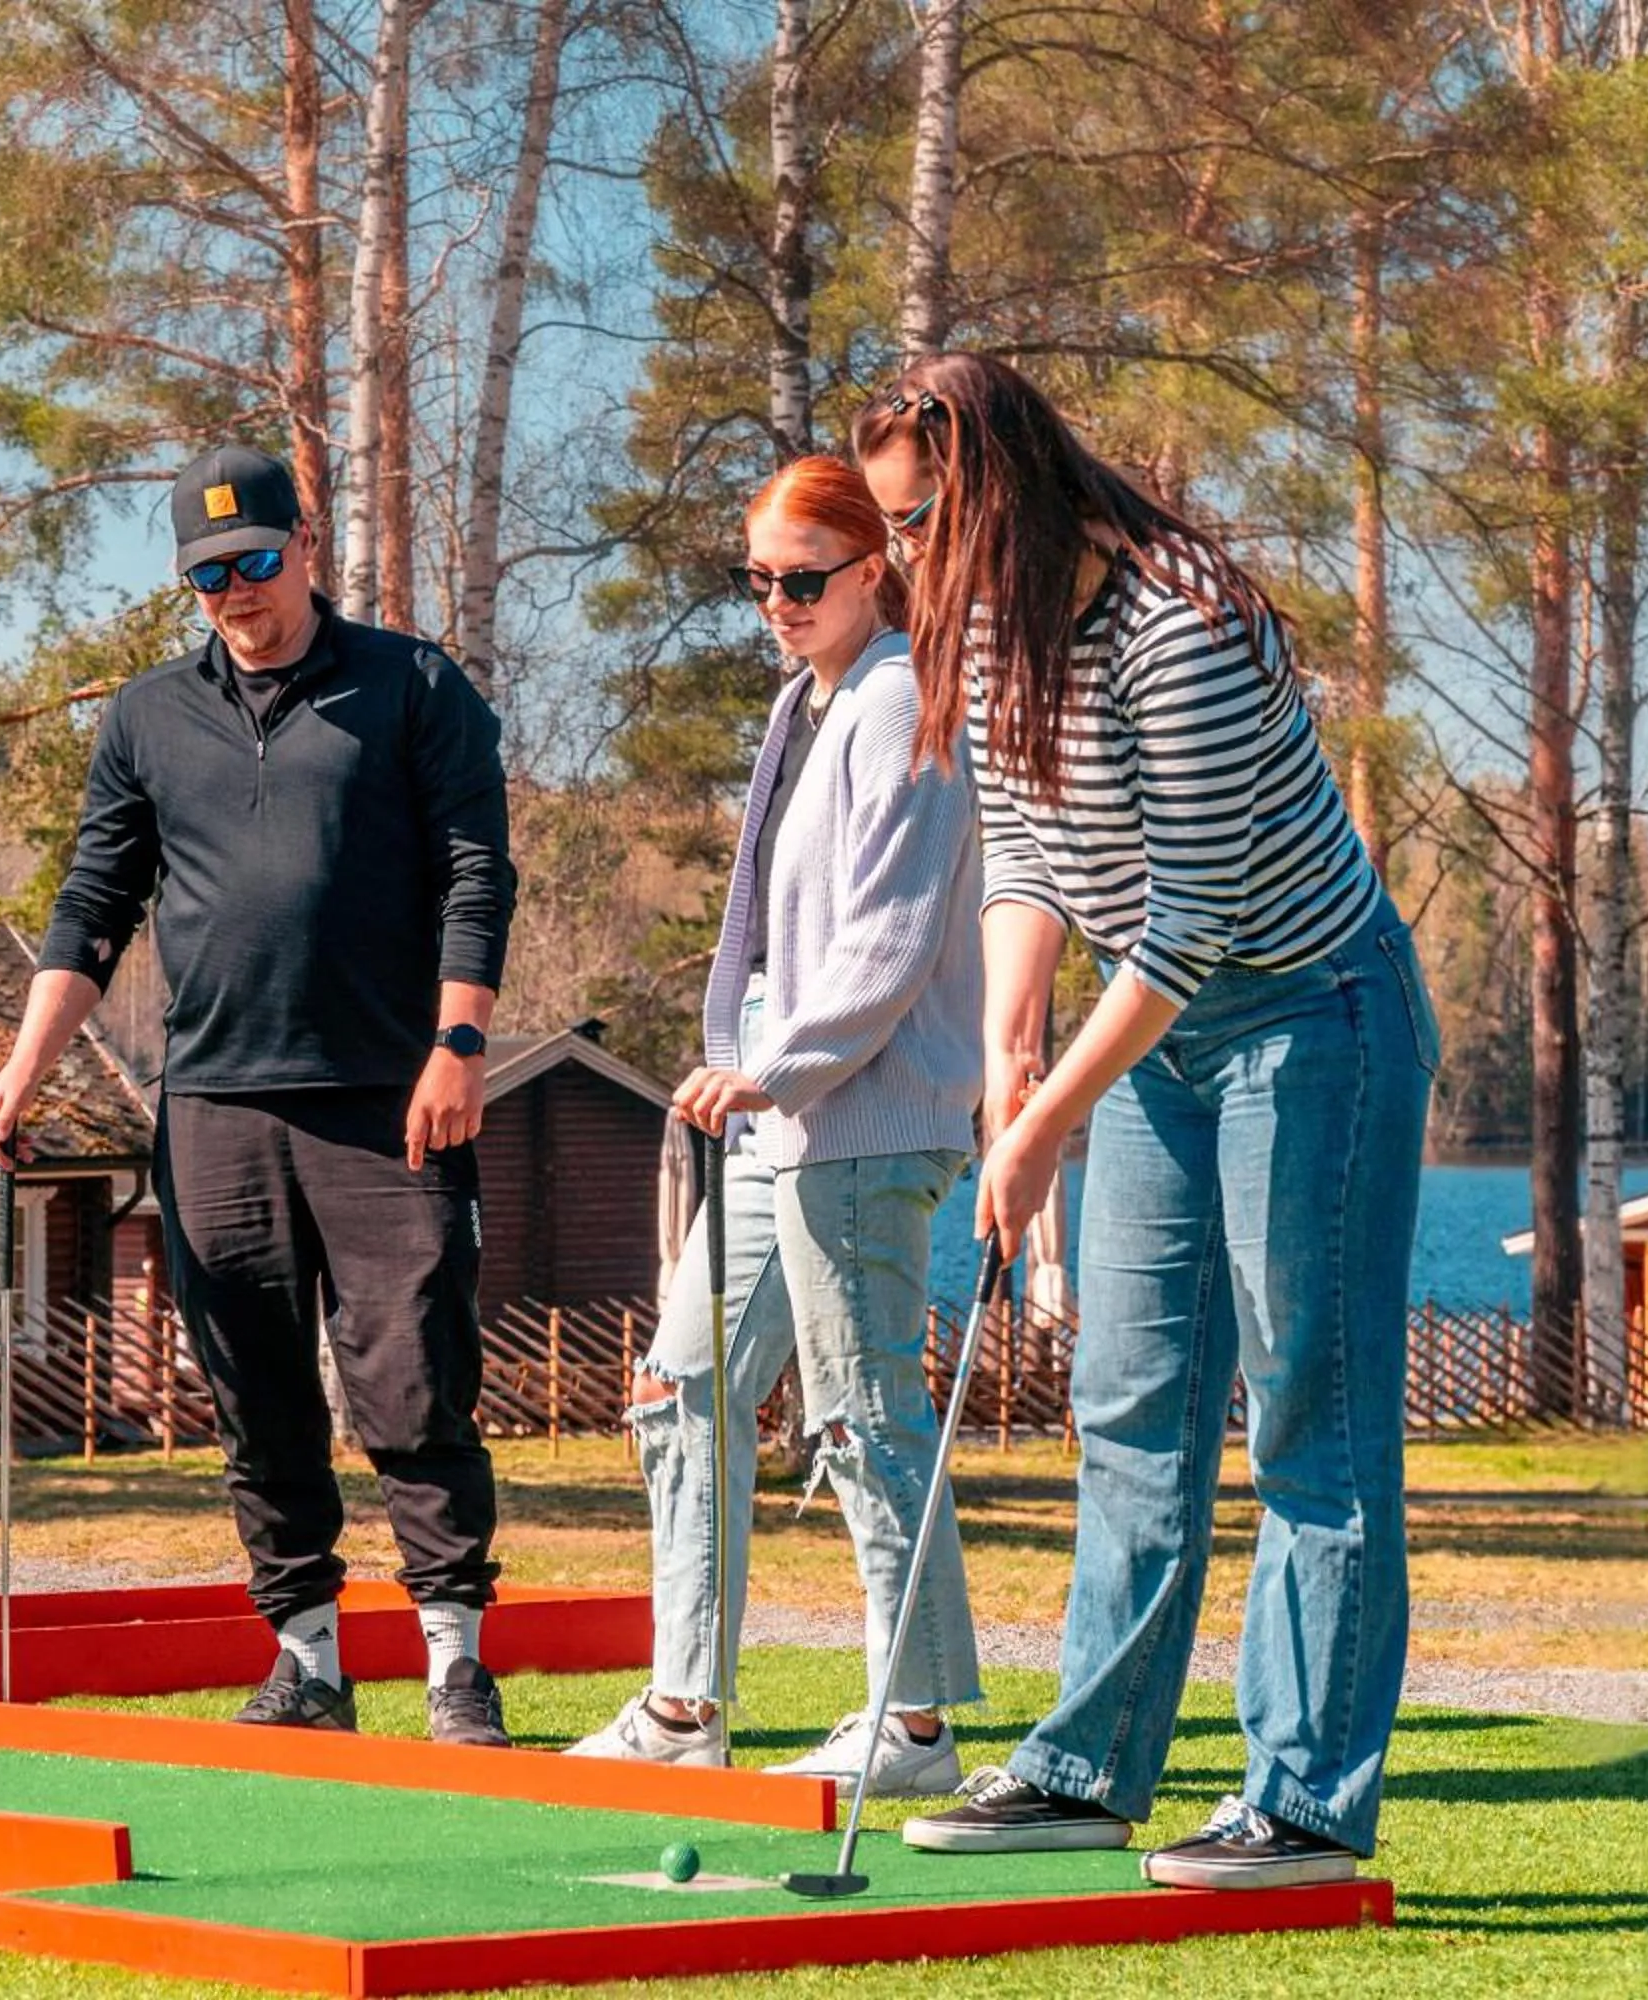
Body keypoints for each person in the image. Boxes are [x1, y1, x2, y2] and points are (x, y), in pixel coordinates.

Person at [859, 355, 1435, 1890]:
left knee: (1306, 1405)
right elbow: (1033, 856)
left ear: (992, 499)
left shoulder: (1179, 626)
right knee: (1129, 1399)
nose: (903, 560)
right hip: (1160, 1036)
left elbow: (1187, 924)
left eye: (918, 526)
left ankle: (1307, 1805)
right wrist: (1003, 1058)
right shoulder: (987, 631)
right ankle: (1086, 1769)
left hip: (1315, 1017)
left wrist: (1042, 1124)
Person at [0, 443, 520, 1746]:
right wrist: (21, 1066)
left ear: (305, 545)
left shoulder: (413, 686)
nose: (236, 593)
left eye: (255, 563)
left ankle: (453, 1667)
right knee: (253, 1396)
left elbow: (476, 872)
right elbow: (94, 908)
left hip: (391, 1102)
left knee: (414, 1386)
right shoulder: (148, 718)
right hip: (214, 1107)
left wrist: (460, 1045)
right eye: (209, 577)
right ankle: (308, 1663)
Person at [567, 455, 984, 1791]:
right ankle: (687, 1708)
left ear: (876, 569)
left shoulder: (906, 699)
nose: (778, 605)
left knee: (863, 1411)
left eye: (803, 580)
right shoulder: (806, 705)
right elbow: (768, 924)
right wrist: (743, 1058)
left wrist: (780, 1063)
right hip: (780, 1122)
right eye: (758, 582)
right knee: (679, 1390)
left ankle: (913, 1727)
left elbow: (898, 933)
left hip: (862, 1118)